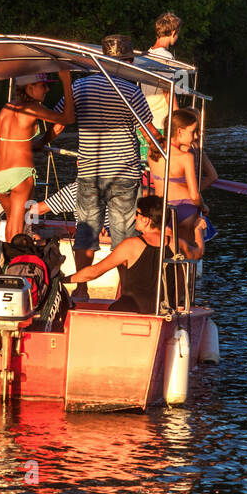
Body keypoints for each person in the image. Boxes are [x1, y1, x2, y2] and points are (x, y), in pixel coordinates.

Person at [70, 34, 162, 300]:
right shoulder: (131, 90)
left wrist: (41, 141)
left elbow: (60, 119)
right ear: (128, 61)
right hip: (123, 172)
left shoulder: (80, 87)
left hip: (90, 171)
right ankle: (125, 292)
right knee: (124, 234)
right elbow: (148, 132)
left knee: (86, 230)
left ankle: (81, 289)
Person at [66, 195, 206, 314]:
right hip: (163, 310)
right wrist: (198, 229)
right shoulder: (177, 244)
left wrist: (63, 280)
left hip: (130, 309)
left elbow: (94, 271)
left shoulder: (131, 245)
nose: (134, 217)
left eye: (137, 214)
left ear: (146, 220)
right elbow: (199, 252)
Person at [0, 71, 74, 241]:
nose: (47, 90)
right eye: (43, 86)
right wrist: (67, 83)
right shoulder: (33, 109)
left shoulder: (6, 108)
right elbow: (66, 119)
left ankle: (11, 259)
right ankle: (15, 263)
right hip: (20, 174)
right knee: (17, 226)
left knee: (13, 222)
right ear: (30, 88)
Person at [149, 108, 218, 233]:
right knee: (192, 250)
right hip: (185, 211)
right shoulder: (186, 157)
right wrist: (203, 206)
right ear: (180, 131)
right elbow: (194, 195)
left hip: (161, 210)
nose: (196, 136)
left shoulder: (153, 151)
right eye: (193, 132)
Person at [144, 12, 182, 135]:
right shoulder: (166, 57)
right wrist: (177, 115)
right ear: (173, 32)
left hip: (147, 119)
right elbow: (167, 90)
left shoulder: (148, 54)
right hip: (161, 121)